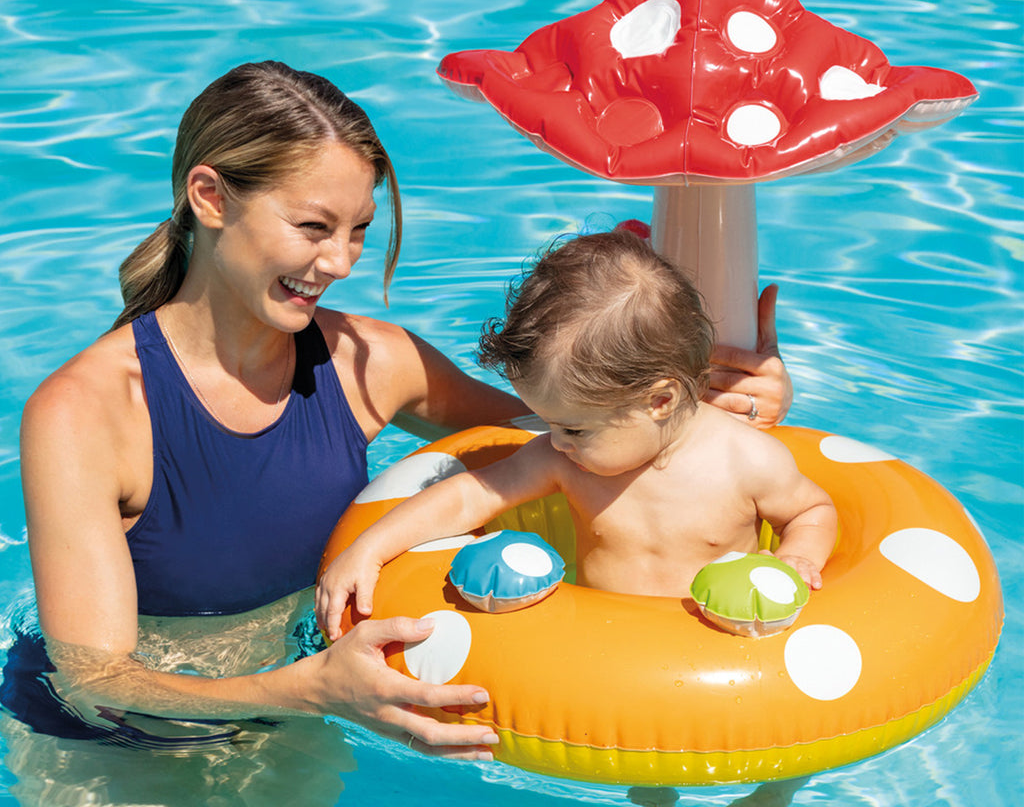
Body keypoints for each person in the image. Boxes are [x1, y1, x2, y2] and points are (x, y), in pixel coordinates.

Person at [16, 61, 794, 762]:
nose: (341, 262)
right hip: (114, 753)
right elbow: (92, 681)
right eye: (313, 228)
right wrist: (307, 689)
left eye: (358, 230)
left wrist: (724, 409)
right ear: (210, 197)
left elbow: (589, 429)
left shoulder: (372, 363)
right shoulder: (85, 413)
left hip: (299, 715)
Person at [316, 230, 836, 641]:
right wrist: (371, 548)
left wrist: (799, 557)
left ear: (659, 401)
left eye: (573, 427)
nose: (555, 440)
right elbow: (469, 497)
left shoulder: (746, 461)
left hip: (716, 652)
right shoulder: (564, 459)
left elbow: (811, 510)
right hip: (598, 646)